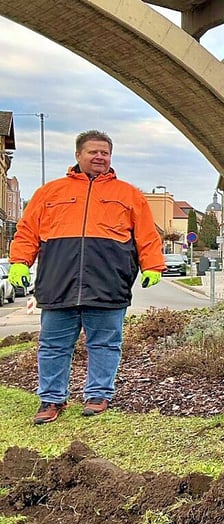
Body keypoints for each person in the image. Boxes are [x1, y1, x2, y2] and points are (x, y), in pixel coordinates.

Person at [8, 130, 166, 425]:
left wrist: (153, 265)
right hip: (58, 283)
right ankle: (52, 399)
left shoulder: (129, 194)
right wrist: (19, 262)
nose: (99, 157)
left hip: (108, 283)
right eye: (93, 152)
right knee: (53, 345)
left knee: (105, 344)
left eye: (105, 152)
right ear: (78, 155)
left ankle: (98, 395)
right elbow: (27, 232)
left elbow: (146, 235)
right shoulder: (49, 193)